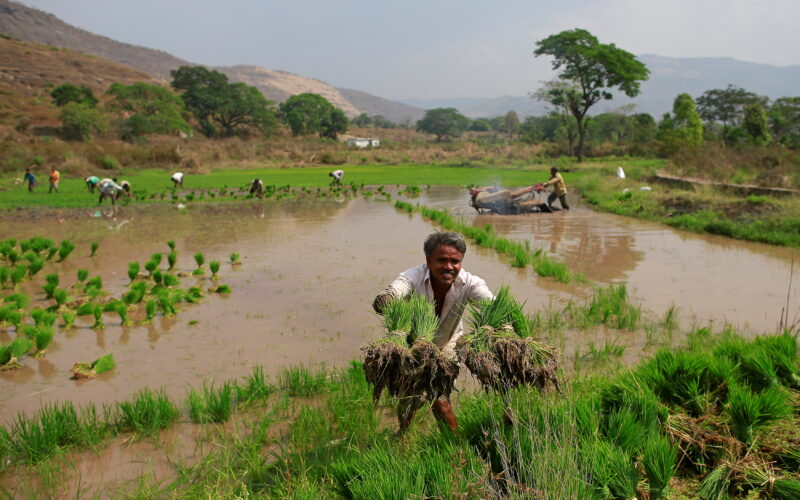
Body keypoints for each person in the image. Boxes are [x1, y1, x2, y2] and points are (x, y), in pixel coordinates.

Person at [372, 232, 493, 431]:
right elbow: (395, 290)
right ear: (428, 261)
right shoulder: (413, 277)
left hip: (446, 345)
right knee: (409, 397)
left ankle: (453, 447)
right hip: (412, 344)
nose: (449, 267)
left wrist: (503, 326)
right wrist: (387, 300)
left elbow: (490, 304)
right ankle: (404, 433)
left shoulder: (470, 283)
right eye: (442, 260)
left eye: (455, 261)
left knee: (441, 401)